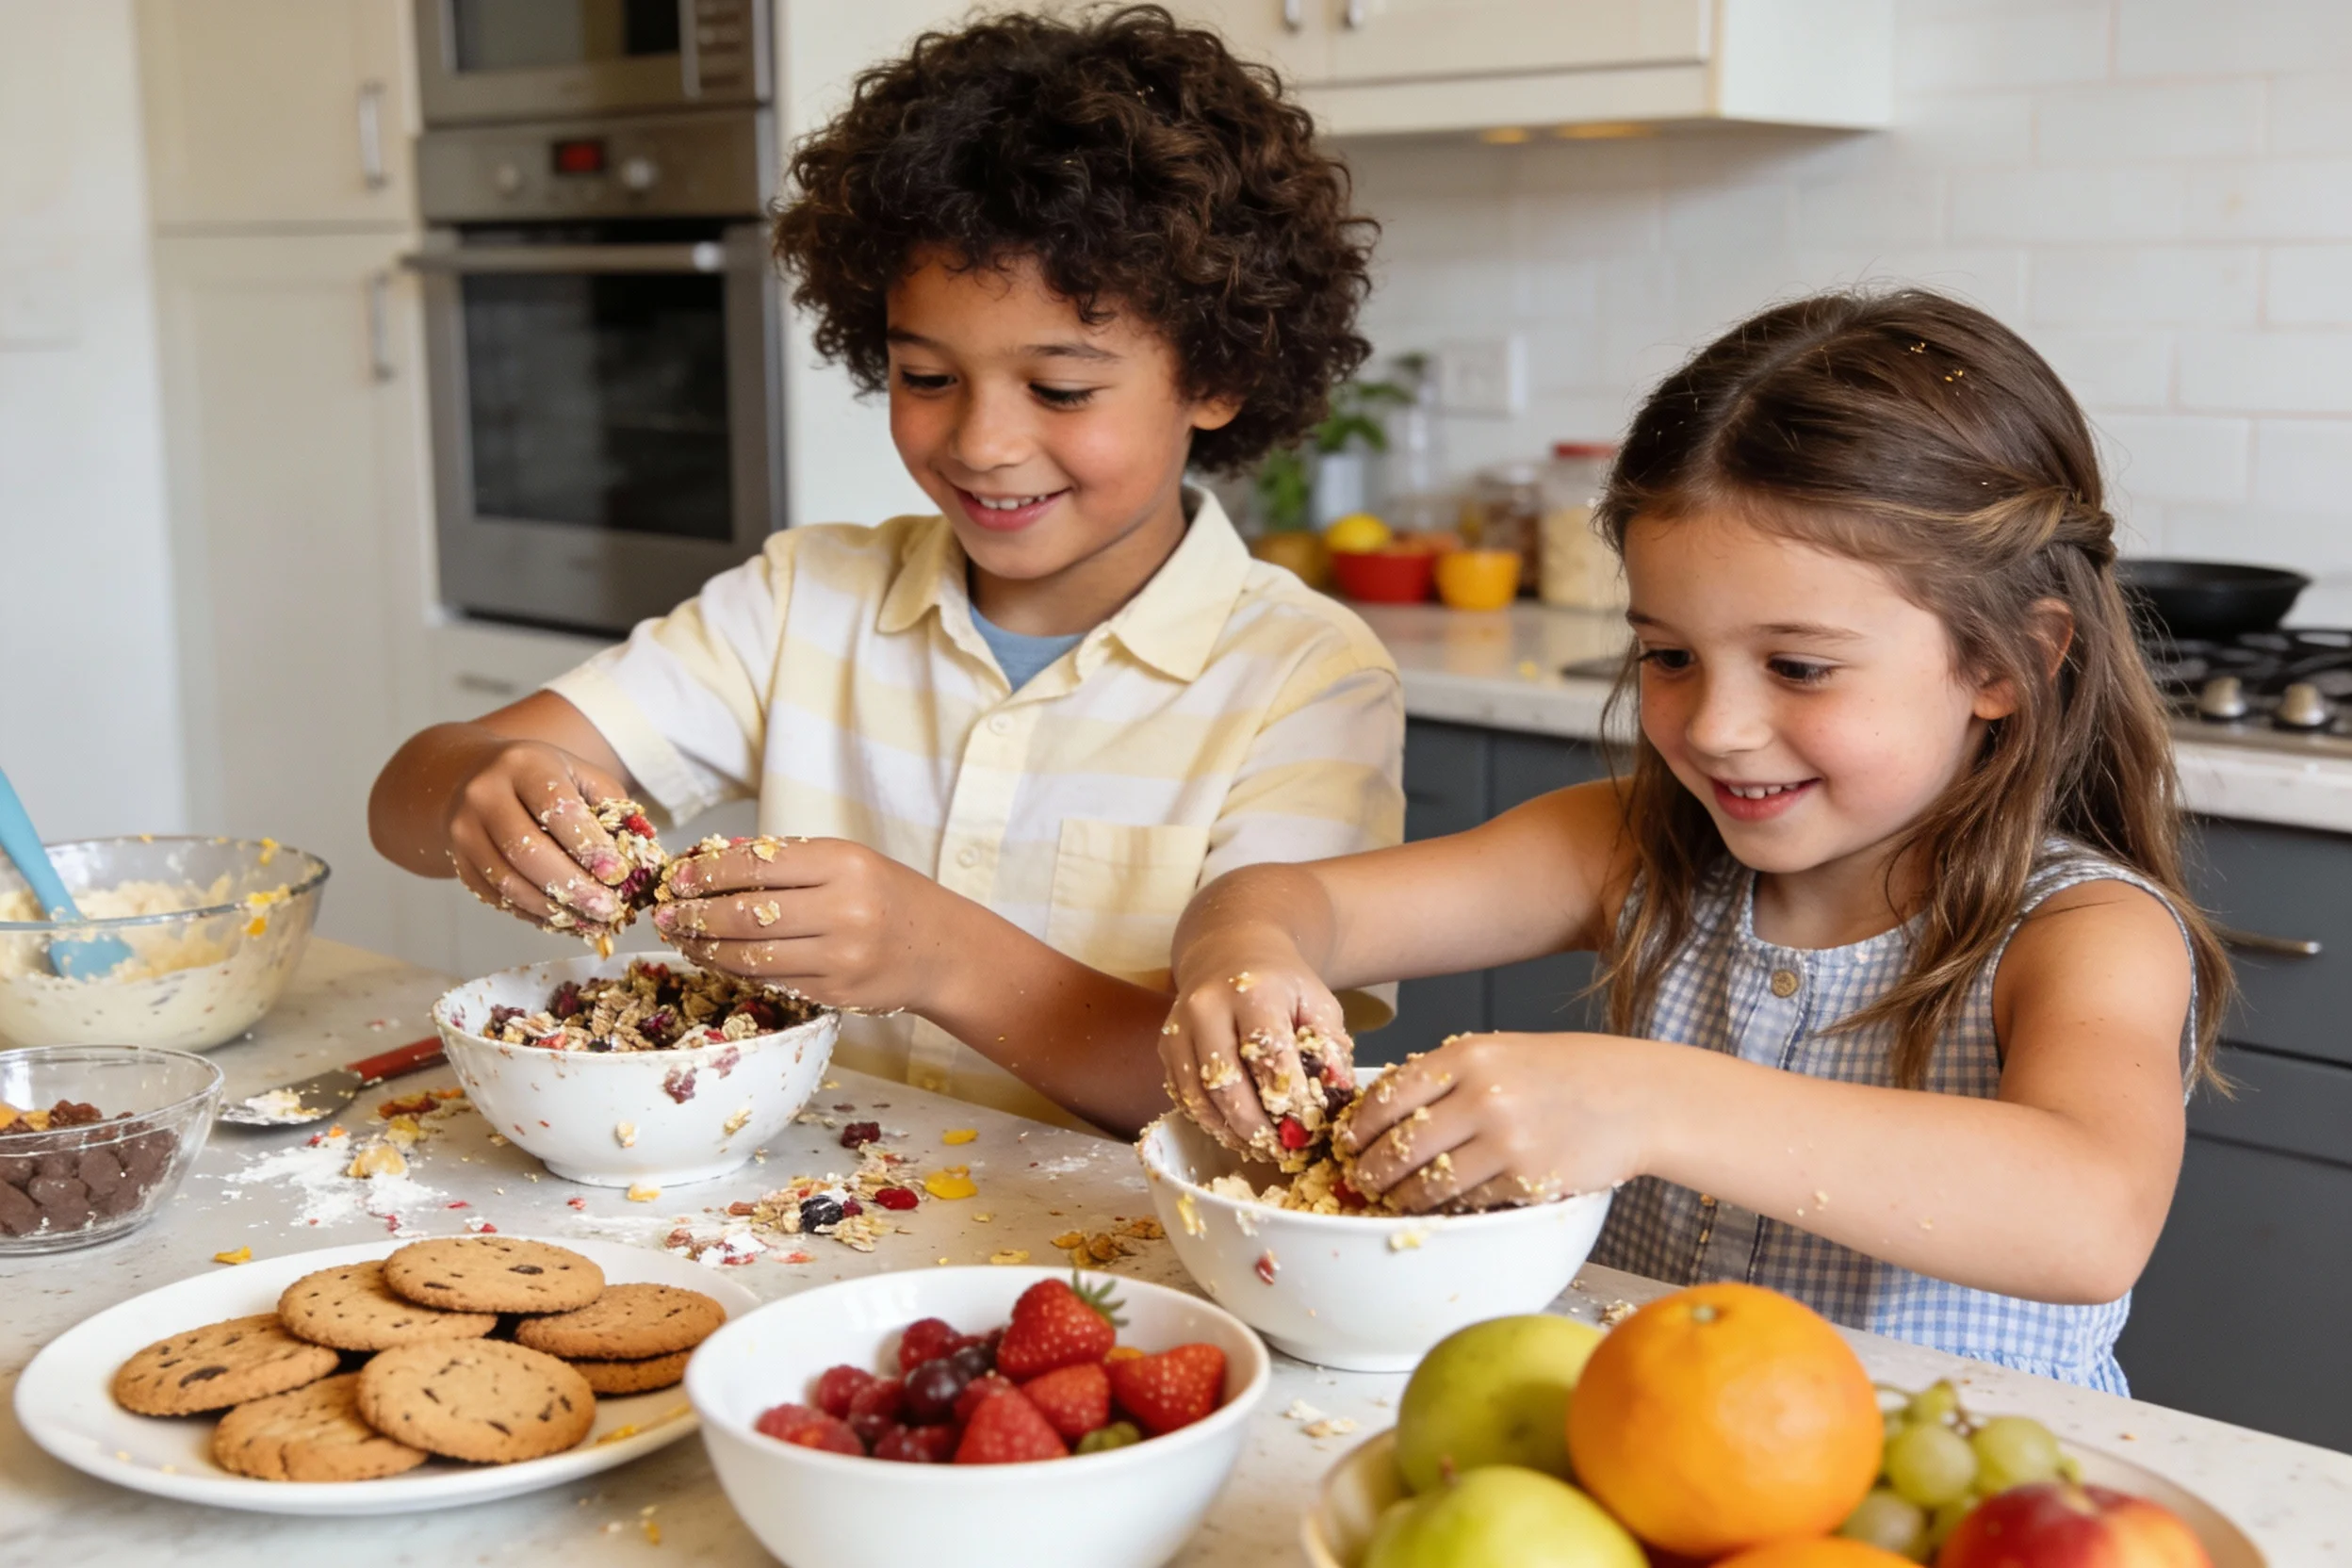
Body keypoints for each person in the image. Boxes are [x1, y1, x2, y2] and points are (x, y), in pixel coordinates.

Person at [1162, 288, 2230, 1391]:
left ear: (2007, 663)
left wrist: (1645, 1100)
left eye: (1799, 666)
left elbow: (2091, 1214)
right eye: (1669, 656)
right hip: (1659, 1454)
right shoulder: (1632, 845)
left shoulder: (2083, 928)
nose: (1715, 727)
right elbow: (1294, 899)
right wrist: (1245, 960)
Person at [369, 7, 1402, 1135]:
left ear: (1218, 375)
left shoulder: (1305, 679)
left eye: (1059, 389)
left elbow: (1260, 1101)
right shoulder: (805, 597)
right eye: (926, 375)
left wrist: (935, 952)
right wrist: (488, 788)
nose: (981, 442)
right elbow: (404, 800)